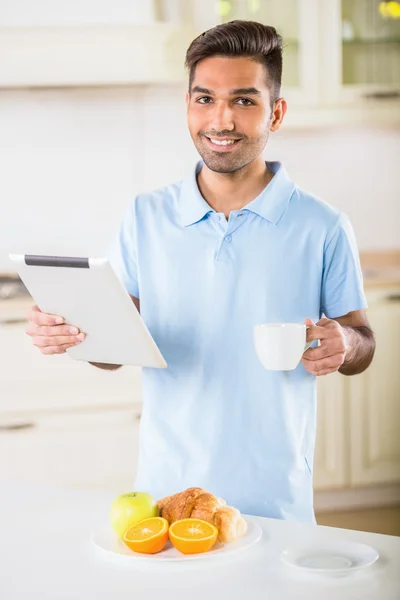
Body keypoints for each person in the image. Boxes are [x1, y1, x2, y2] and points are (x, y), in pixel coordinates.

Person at [25, 21, 375, 523]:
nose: (222, 119)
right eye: (205, 98)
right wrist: (74, 333)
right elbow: (114, 349)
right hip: (167, 493)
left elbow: (362, 341)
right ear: (187, 105)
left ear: (276, 112)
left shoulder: (322, 226)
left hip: (275, 499)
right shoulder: (144, 217)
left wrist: (344, 341)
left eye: (244, 101)